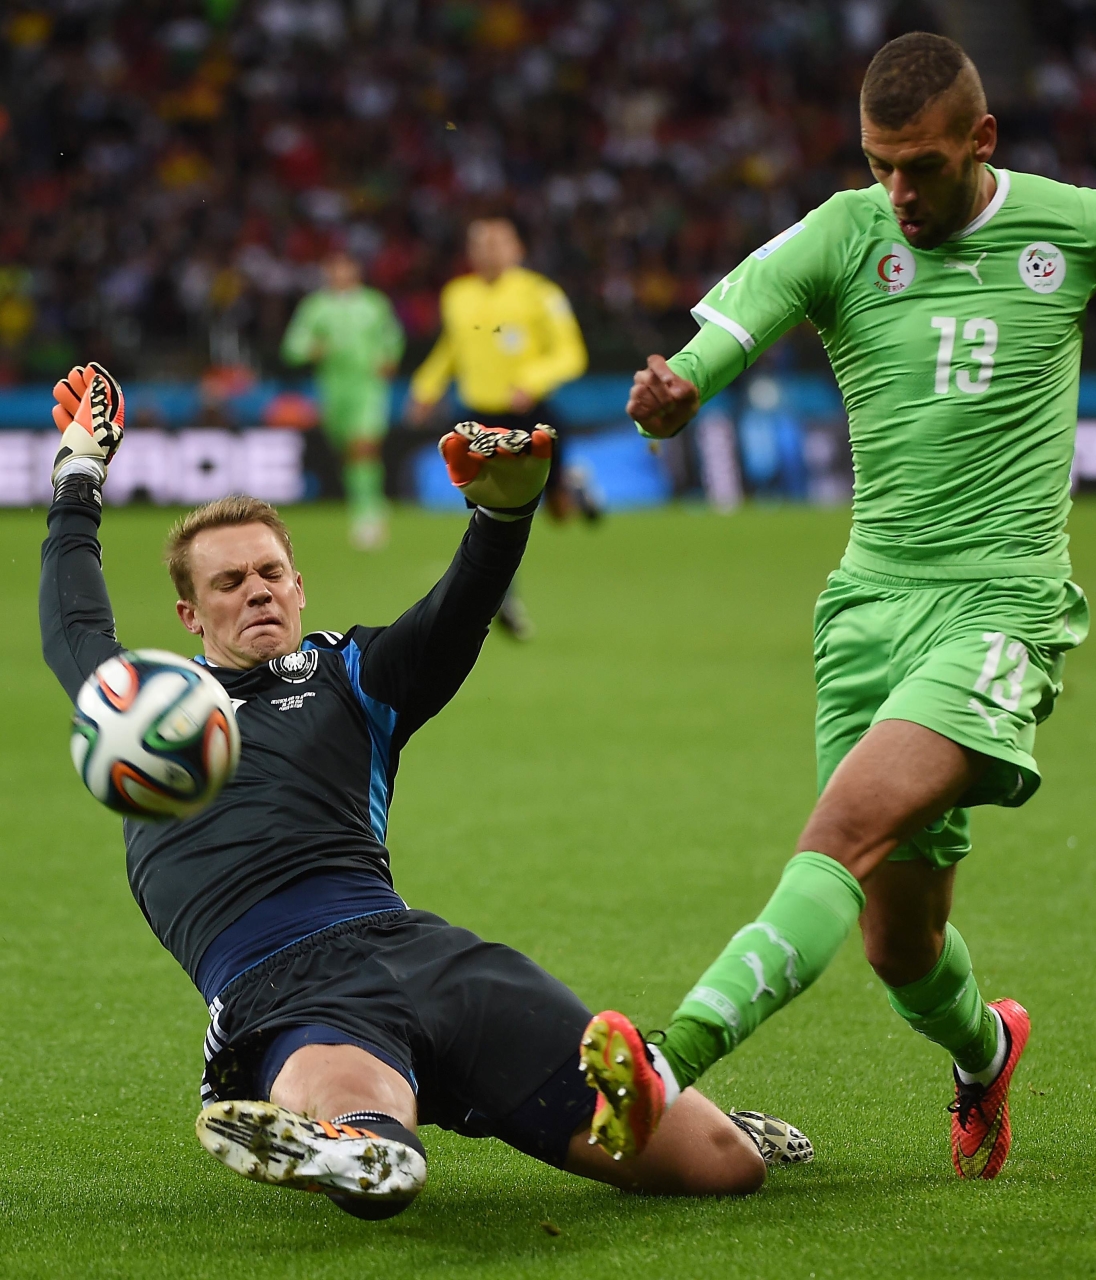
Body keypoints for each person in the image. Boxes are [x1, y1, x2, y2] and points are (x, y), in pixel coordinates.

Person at [575, 33, 1096, 1181]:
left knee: (839, 838)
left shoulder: (1078, 222)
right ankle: (986, 1047)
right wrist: (676, 394)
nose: (899, 192)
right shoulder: (843, 229)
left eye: (920, 165)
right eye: (879, 165)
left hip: (1002, 611)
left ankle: (664, 1060)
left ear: (982, 140)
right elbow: (726, 329)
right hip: (867, 614)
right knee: (898, 941)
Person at [39, 364, 811, 1220]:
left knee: (721, 1168)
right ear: (190, 615)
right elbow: (72, 619)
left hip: (422, 952)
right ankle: (357, 1144)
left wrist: (506, 510)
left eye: (270, 572)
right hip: (280, 985)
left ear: (299, 585)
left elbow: (455, 615)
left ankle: (701, 1120)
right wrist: (79, 471)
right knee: (371, 1130)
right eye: (229, 582)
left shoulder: (351, 672)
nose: (257, 589)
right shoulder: (137, 703)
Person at [407, 218, 592, 638]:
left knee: (558, 513)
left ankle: (575, 489)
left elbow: (571, 353)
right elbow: (452, 347)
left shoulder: (540, 294)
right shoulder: (457, 295)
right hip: (479, 422)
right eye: (480, 243)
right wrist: (426, 388)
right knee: (490, 515)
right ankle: (503, 597)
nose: (488, 250)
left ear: (517, 249)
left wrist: (533, 380)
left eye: (497, 242)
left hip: (531, 417)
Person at [280, 251, 405, 551]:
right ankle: (366, 498)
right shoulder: (315, 307)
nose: (340, 273)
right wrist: (312, 349)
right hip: (333, 389)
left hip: (368, 386)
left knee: (364, 445)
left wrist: (389, 358)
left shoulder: (373, 304)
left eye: (345, 267)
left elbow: (393, 337)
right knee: (349, 451)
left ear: (355, 271)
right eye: (333, 268)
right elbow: (292, 347)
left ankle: (368, 512)